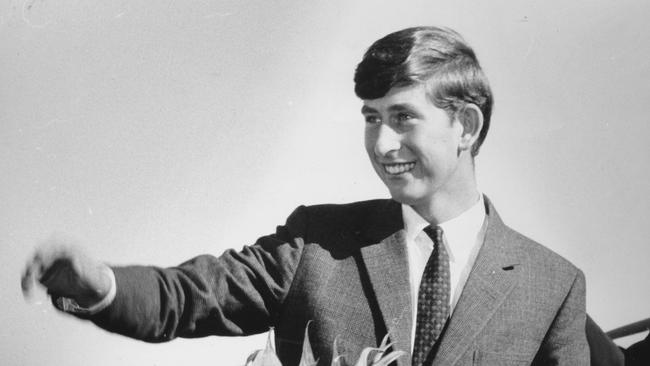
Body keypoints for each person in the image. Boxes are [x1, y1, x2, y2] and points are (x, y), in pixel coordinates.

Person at [22, 26, 590, 365]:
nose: (383, 143)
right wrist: (103, 288)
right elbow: (192, 295)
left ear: (465, 125)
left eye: (403, 118)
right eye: (371, 118)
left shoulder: (551, 285)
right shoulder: (319, 244)